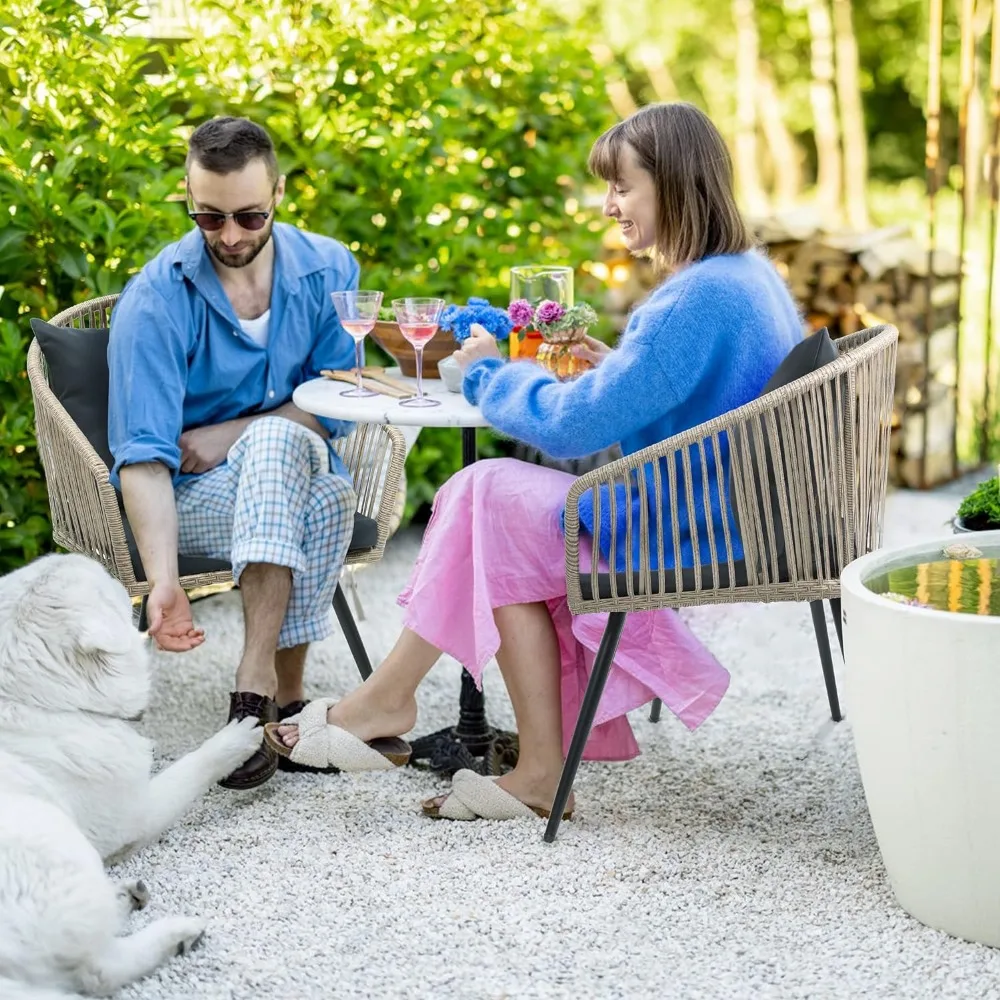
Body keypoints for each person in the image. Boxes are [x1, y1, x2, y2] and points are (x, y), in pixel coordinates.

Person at [266, 101, 803, 821]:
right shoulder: (744, 275)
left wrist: (488, 373)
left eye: (623, 185)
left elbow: (572, 429)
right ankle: (442, 725)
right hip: (712, 506)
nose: (610, 203)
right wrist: (616, 366)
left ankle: (405, 710)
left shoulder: (695, 298)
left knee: (483, 494)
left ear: (675, 183)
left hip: (680, 523)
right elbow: (698, 395)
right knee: (486, 499)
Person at [108, 117, 361, 791]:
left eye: (250, 216)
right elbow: (144, 460)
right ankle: (280, 695)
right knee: (322, 488)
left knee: (302, 466)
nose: (230, 236)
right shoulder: (157, 299)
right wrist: (164, 581)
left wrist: (235, 431)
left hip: (284, 472)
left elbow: (339, 397)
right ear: (188, 198)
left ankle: (261, 703)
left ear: (278, 192)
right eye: (209, 217)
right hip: (196, 499)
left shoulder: (331, 268)